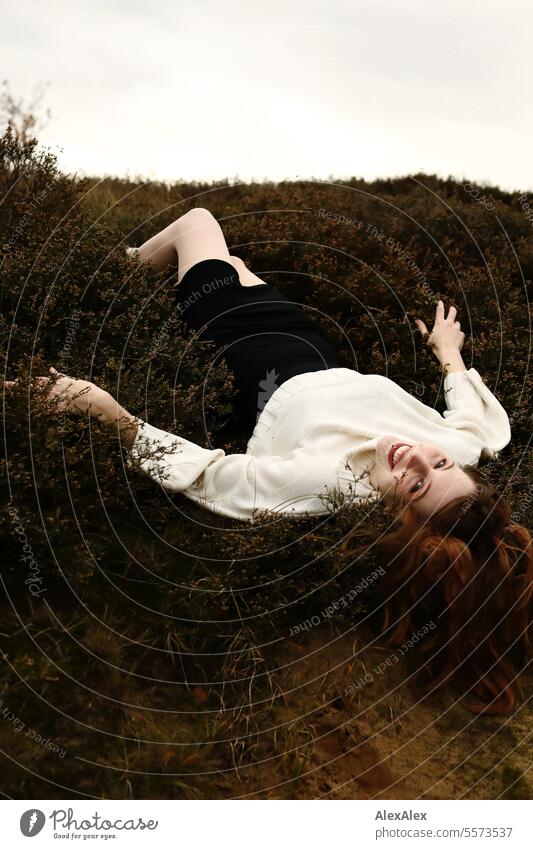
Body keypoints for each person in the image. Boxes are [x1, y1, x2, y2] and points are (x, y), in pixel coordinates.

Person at [7, 207, 532, 713]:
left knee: (198, 224)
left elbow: (210, 475)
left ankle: (106, 272)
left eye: (414, 485)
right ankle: (136, 271)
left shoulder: (324, 482)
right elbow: (475, 425)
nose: (416, 456)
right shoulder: (458, 455)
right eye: (440, 466)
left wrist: (104, 410)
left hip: (249, 346)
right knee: (228, 264)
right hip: (310, 345)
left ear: (399, 517)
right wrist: (448, 350)